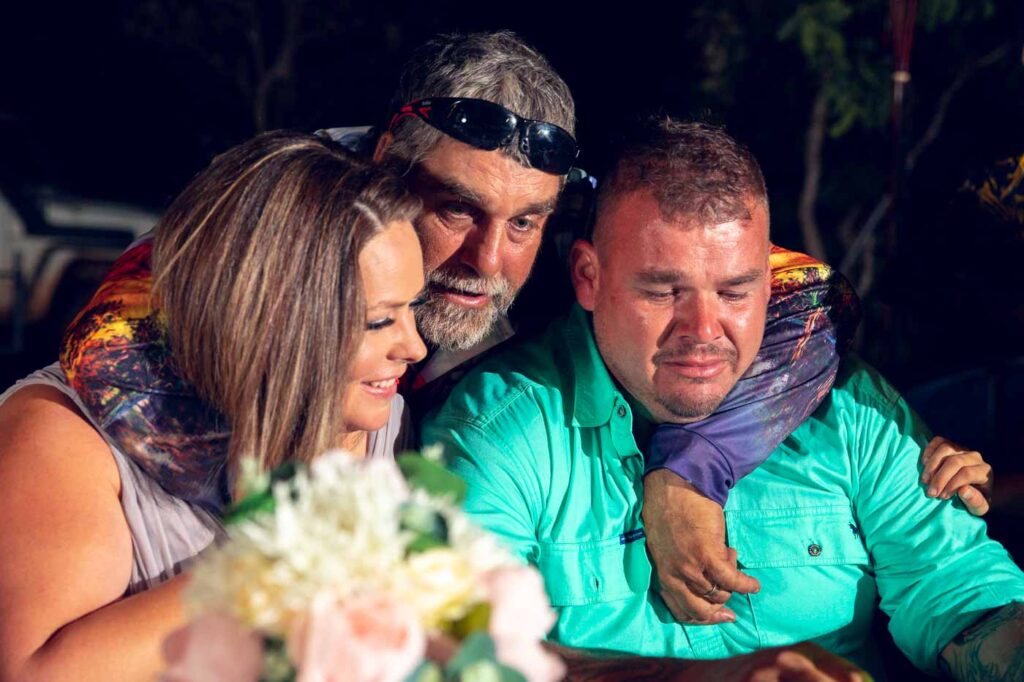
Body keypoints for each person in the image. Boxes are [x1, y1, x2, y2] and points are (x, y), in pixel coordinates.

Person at [53, 31, 990, 627]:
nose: (489, 262)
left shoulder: (573, 254)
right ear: (381, 167)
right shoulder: (265, 238)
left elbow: (808, 304)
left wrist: (688, 467)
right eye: (453, 209)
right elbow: (107, 371)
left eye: (527, 224)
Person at [421, 118, 1024, 680]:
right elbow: (458, 652)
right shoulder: (498, 430)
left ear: (771, 279)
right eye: (662, 292)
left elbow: (961, 598)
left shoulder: (852, 413)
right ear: (589, 277)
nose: (704, 331)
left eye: (735, 291)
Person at [0, 131, 428, 681]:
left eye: (411, 307)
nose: (413, 347)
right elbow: (35, 674)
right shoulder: (62, 438)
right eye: (379, 320)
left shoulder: (377, 418)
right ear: (272, 316)